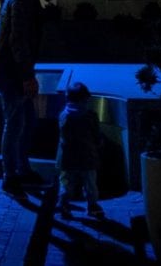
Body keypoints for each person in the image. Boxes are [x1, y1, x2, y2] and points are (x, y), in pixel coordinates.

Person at [0, 0, 70, 197]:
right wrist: (27, 77)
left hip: (10, 68)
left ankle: (22, 169)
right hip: (7, 69)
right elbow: (18, 41)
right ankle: (10, 176)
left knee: (26, 120)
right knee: (15, 123)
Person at [56, 82, 105, 219]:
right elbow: (96, 137)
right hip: (87, 157)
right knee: (90, 183)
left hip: (66, 158)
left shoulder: (63, 116)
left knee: (66, 182)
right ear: (85, 99)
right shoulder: (90, 116)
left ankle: (64, 204)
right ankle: (92, 206)